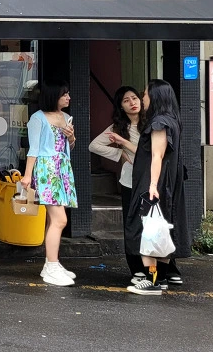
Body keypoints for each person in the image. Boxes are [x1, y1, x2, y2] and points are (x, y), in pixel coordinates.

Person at [123, 80, 191, 295]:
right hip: (166, 185)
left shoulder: (159, 123)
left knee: (147, 231)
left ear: (155, 97)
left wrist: (152, 185)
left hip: (154, 185)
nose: (143, 98)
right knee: (161, 231)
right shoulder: (172, 120)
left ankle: (152, 280)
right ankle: (159, 279)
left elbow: (157, 155)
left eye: (145, 94)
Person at [23, 82, 78, 286]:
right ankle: (52, 266)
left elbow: (69, 146)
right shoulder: (38, 118)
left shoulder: (66, 117)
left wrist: (71, 137)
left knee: (53, 220)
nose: (68, 97)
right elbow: (34, 149)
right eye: (64, 94)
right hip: (47, 170)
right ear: (54, 96)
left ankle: (51, 264)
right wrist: (27, 176)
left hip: (62, 168)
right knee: (60, 219)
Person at [89, 86, 146, 280]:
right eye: (126, 100)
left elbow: (150, 153)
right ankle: (136, 269)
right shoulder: (119, 127)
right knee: (132, 225)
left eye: (135, 98)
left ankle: (162, 268)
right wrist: (119, 152)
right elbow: (94, 145)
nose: (132, 103)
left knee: (154, 224)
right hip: (130, 181)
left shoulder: (151, 123)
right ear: (121, 106)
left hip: (152, 180)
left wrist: (124, 143)